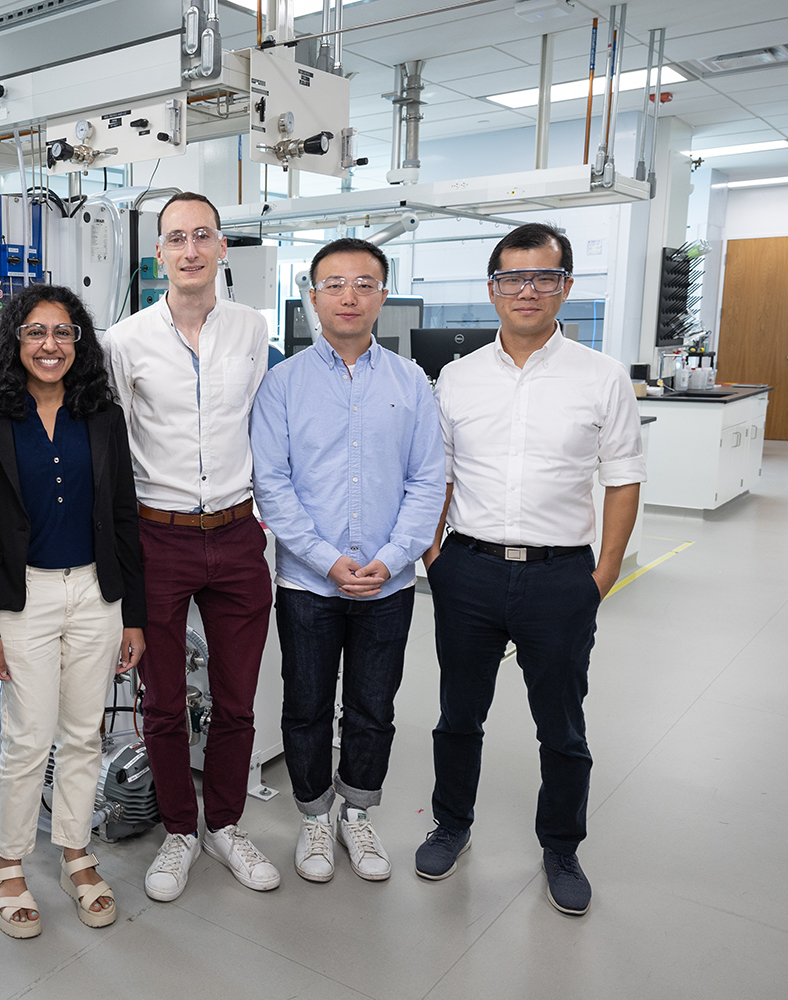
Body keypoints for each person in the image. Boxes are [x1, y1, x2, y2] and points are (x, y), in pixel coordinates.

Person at [417, 222, 645, 916]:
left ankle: (561, 845)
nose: (527, 291)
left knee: (562, 724)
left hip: (560, 577)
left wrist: (601, 575)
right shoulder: (457, 377)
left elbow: (624, 477)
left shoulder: (601, 377)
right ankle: (452, 825)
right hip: (470, 571)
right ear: (492, 290)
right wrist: (436, 556)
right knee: (459, 715)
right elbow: (438, 475)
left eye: (543, 278)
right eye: (513, 278)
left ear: (566, 288)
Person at [251, 238, 444, 883]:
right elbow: (272, 484)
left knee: (372, 705)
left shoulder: (411, 381)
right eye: (334, 284)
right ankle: (313, 817)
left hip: (389, 586)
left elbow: (428, 479)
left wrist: (390, 560)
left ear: (383, 296)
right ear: (313, 297)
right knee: (305, 702)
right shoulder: (281, 384)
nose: (349, 296)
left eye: (364, 283)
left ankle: (356, 814)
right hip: (309, 581)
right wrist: (326, 559)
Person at [104, 191, 279, 900]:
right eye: (176, 238)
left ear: (222, 248)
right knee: (164, 702)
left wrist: (267, 518)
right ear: (160, 254)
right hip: (159, 535)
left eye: (202, 235)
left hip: (238, 533)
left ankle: (225, 825)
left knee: (238, 700)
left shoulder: (252, 328)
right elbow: (114, 449)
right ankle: (179, 830)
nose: (190, 250)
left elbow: (267, 429)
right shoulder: (124, 341)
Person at [0, 283, 147, 939]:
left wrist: (133, 615)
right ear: (16, 342)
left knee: (83, 734)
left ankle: (75, 852)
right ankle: (7, 864)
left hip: (96, 592)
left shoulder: (101, 416)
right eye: (36, 332)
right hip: (26, 597)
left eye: (64, 332)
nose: (50, 345)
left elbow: (124, 516)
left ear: (80, 343)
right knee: (27, 737)